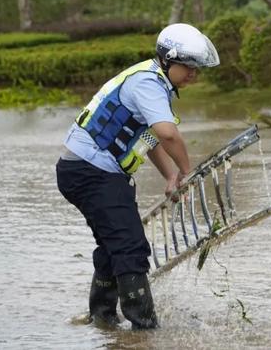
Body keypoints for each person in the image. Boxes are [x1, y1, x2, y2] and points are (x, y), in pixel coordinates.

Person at [55, 23, 220, 329]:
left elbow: (148, 140)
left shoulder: (153, 81)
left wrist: (171, 176)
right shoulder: (147, 83)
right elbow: (167, 135)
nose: (193, 74)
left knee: (113, 244)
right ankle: (143, 331)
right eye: (188, 67)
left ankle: (103, 320)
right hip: (91, 171)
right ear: (168, 60)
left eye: (197, 69)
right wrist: (187, 170)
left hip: (89, 171)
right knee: (130, 247)